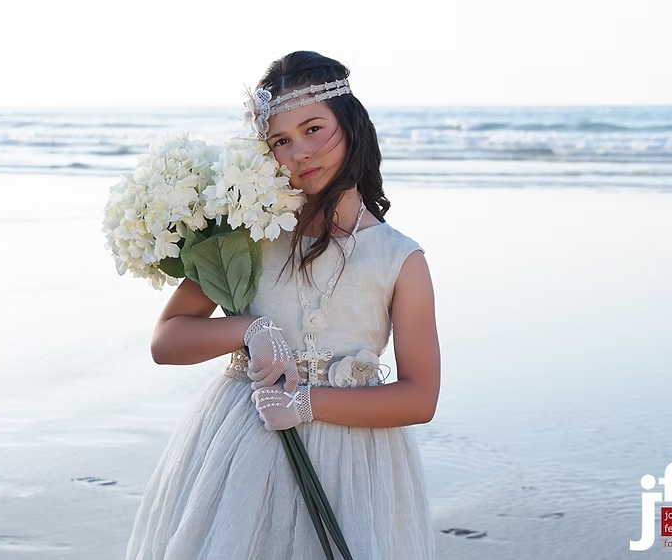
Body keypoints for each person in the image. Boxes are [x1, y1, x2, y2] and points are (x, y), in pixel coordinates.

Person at [125, 51, 441, 559]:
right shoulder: (251, 234)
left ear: (353, 125)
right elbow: (167, 342)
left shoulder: (399, 259)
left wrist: (307, 404)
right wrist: (247, 330)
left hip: (354, 462)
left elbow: (420, 398)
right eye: (280, 141)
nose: (300, 152)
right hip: (244, 448)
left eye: (314, 128)